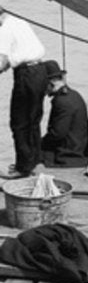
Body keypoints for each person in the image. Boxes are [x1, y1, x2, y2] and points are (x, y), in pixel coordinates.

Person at [0, 9, 48, 178]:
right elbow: (14, 56)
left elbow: (2, 61)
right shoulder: (19, 22)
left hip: (26, 75)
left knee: (19, 122)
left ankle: (23, 168)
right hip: (40, 71)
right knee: (33, 120)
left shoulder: (4, 30)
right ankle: (34, 161)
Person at [41, 60, 88, 168]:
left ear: (50, 83)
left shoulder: (62, 101)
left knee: (32, 153)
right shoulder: (74, 94)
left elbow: (57, 134)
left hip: (69, 155)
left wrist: (40, 143)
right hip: (80, 148)